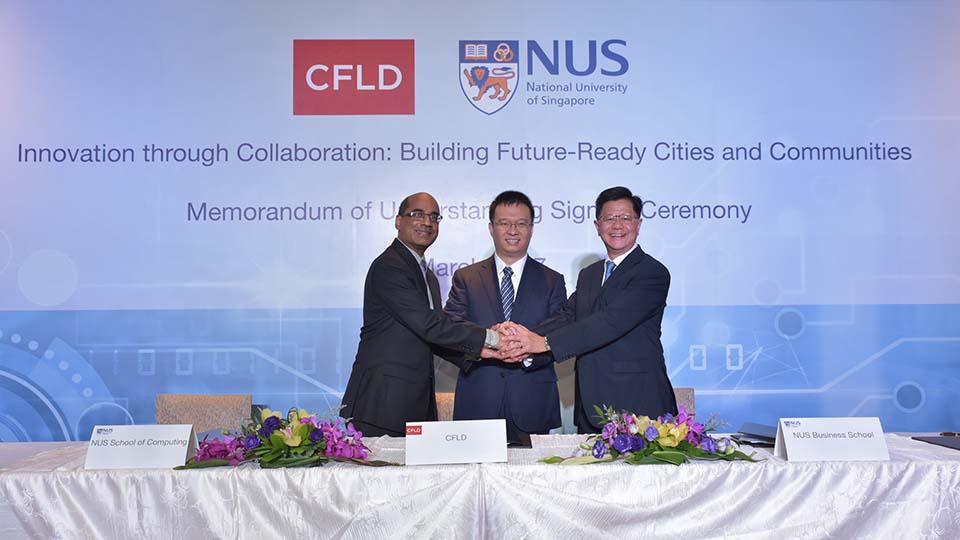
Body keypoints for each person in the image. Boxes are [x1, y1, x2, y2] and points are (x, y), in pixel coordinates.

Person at [498, 186, 677, 433]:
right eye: (609, 218)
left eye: (626, 218)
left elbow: (609, 322)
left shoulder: (652, 273)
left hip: (640, 407)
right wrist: (518, 337)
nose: (617, 225)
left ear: (638, 224)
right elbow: (567, 316)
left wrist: (544, 343)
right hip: (592, 408)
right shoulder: (590, 274)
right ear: (597, 225)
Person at [340, 192, 503, 437]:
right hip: (382, 403)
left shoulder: (428, 277)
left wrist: (478, 352)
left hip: (414, 401)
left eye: (434, 217)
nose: (427, 222)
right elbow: (429, 325)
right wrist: (491, 338)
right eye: (417, 214)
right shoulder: (389, 266)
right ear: (398, 221)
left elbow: (432, 335)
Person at [444, 191, 567, 443]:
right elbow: (450, 330)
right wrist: (488, 339)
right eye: (504, 223)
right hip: (479, 403)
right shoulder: (466, 278)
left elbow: (560, 334)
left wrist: (527, 352)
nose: (513, 230)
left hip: (532, 402)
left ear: (531, 229)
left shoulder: (553, 281)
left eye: (521, 223)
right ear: (491, 228)